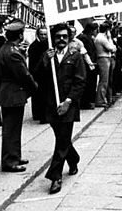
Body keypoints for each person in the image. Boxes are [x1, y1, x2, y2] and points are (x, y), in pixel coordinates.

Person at [36, 23, 86, 194]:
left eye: (65, 36)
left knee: (62, 139)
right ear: (53, 38)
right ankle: (74, 158)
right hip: (51, 105)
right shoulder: (47, 56)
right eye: (58, 37)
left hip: (68, 105)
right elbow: (37, 77)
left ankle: (55, 176)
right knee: (62, 139)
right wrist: (44, 61)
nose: (61, 39)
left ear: (69, 38)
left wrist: (68, 102)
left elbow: (80, 82)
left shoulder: (75, 56)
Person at [0, 20, 38, 172]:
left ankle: (15, 155)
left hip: (10, 93)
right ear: (20, 35)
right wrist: (34, 87)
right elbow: (23, 75)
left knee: (14, 127)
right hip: (13, 93)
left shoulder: (8, 48)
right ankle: (10, 161)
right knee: (11, 129)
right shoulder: (13, 53)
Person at [28, 27, 49, 123]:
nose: (44, 36)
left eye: (45, 34)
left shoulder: (48, 45)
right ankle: (38, 115)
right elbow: (33, 63)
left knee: (43, 94)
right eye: (42, 34)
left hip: (45, 73)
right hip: (37, 73)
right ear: (38, 35)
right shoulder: (34, 46)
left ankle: (41, 114)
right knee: (37, 95)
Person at [93, 21, 116, 108]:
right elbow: (112, 48)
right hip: (103, 58)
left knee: (107, 80)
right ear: (107, 30)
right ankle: (100, 100)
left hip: (105, 58)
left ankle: (107, 98)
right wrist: (110, 38)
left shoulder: (100, 37)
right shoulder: (102, 38)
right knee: (104, 80)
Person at [77, 22, 98, 109]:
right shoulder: (85, 38)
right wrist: (92, 63)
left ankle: (88, 102)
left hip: (90, 64)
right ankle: (86, 102)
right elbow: (88, 52)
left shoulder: (87, 37)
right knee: (88, 84)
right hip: (88, 65)